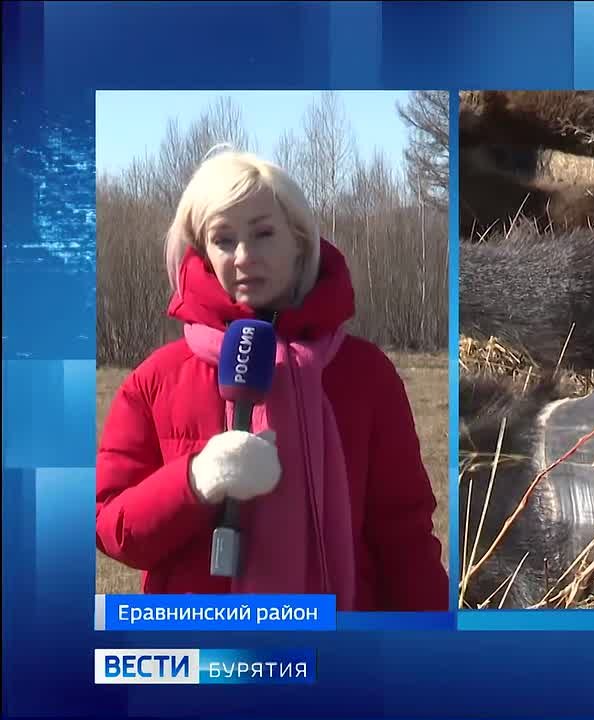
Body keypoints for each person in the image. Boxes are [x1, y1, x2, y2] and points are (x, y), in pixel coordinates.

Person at [95, 148, 449, 611]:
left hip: (342, 641)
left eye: (263, 234)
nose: (244, 257)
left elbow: (405, 536)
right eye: (223, 240)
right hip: (204, 642)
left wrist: (434, 639)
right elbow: (112, 529)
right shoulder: (156, 380)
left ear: (299, 241)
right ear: (203, 254)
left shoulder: (365, 374)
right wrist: (196, 480)